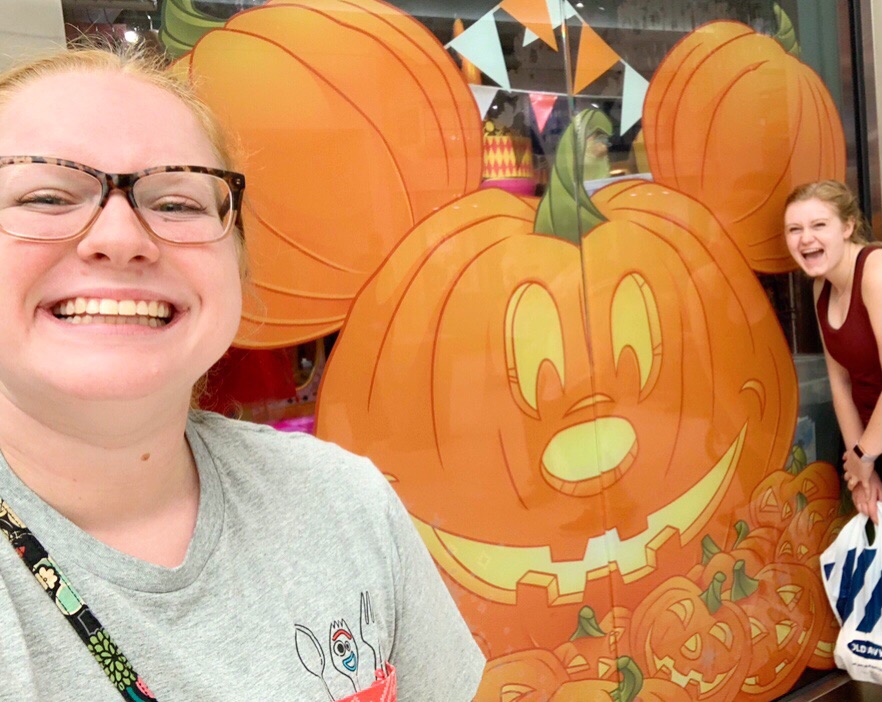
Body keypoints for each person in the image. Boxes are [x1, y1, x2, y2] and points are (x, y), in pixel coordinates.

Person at [0, 45, 485, 700]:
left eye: (176, 204)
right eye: (48, 195)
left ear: (238, 269)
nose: (121, 236)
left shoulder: (343, 502)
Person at [784, 180, 882, 524]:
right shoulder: (820, 287)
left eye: (818, 225)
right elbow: (840, 382)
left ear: (848, 227)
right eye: (794, 229)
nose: (805, 238)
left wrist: (864, 454)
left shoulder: (875, 271)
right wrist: (861, 470)